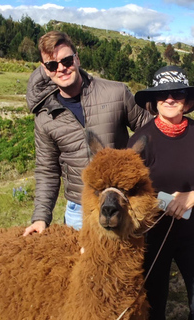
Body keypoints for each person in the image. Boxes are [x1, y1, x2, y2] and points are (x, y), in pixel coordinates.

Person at [23, 31, 151, 236]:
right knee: (86, 267)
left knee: (126, 265)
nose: (62, 69)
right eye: (53, 65)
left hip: (123, 203)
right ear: (45, 70)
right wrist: (41, 217)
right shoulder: (45, 118)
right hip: (79, 210)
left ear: (77, 58)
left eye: (66, 60)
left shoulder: (116, 93)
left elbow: (150, 131)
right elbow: (47, 171)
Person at [128, 65, 194, 320]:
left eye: (177, 93)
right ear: (154, 101)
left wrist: (193, 196)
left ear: (187, 100)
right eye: (162, 94)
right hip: (154, 235)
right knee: (154, 308)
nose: (170, 99)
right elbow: (130, 193)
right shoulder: (140, 140)